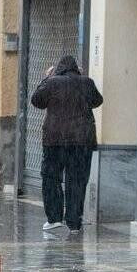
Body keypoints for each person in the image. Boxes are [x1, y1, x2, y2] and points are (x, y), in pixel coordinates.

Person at [31, 55, 103, 234]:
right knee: (77, 180)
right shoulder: (86, 82)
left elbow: (36, 101)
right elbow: (97, 101)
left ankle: (54, 219)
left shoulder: (52, 82)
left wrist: (47, 77)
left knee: (51, 178)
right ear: (76, 69)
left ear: (58, 69)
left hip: (55, 141)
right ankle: (74, 222)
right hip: (81, 141)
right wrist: (82, 81)